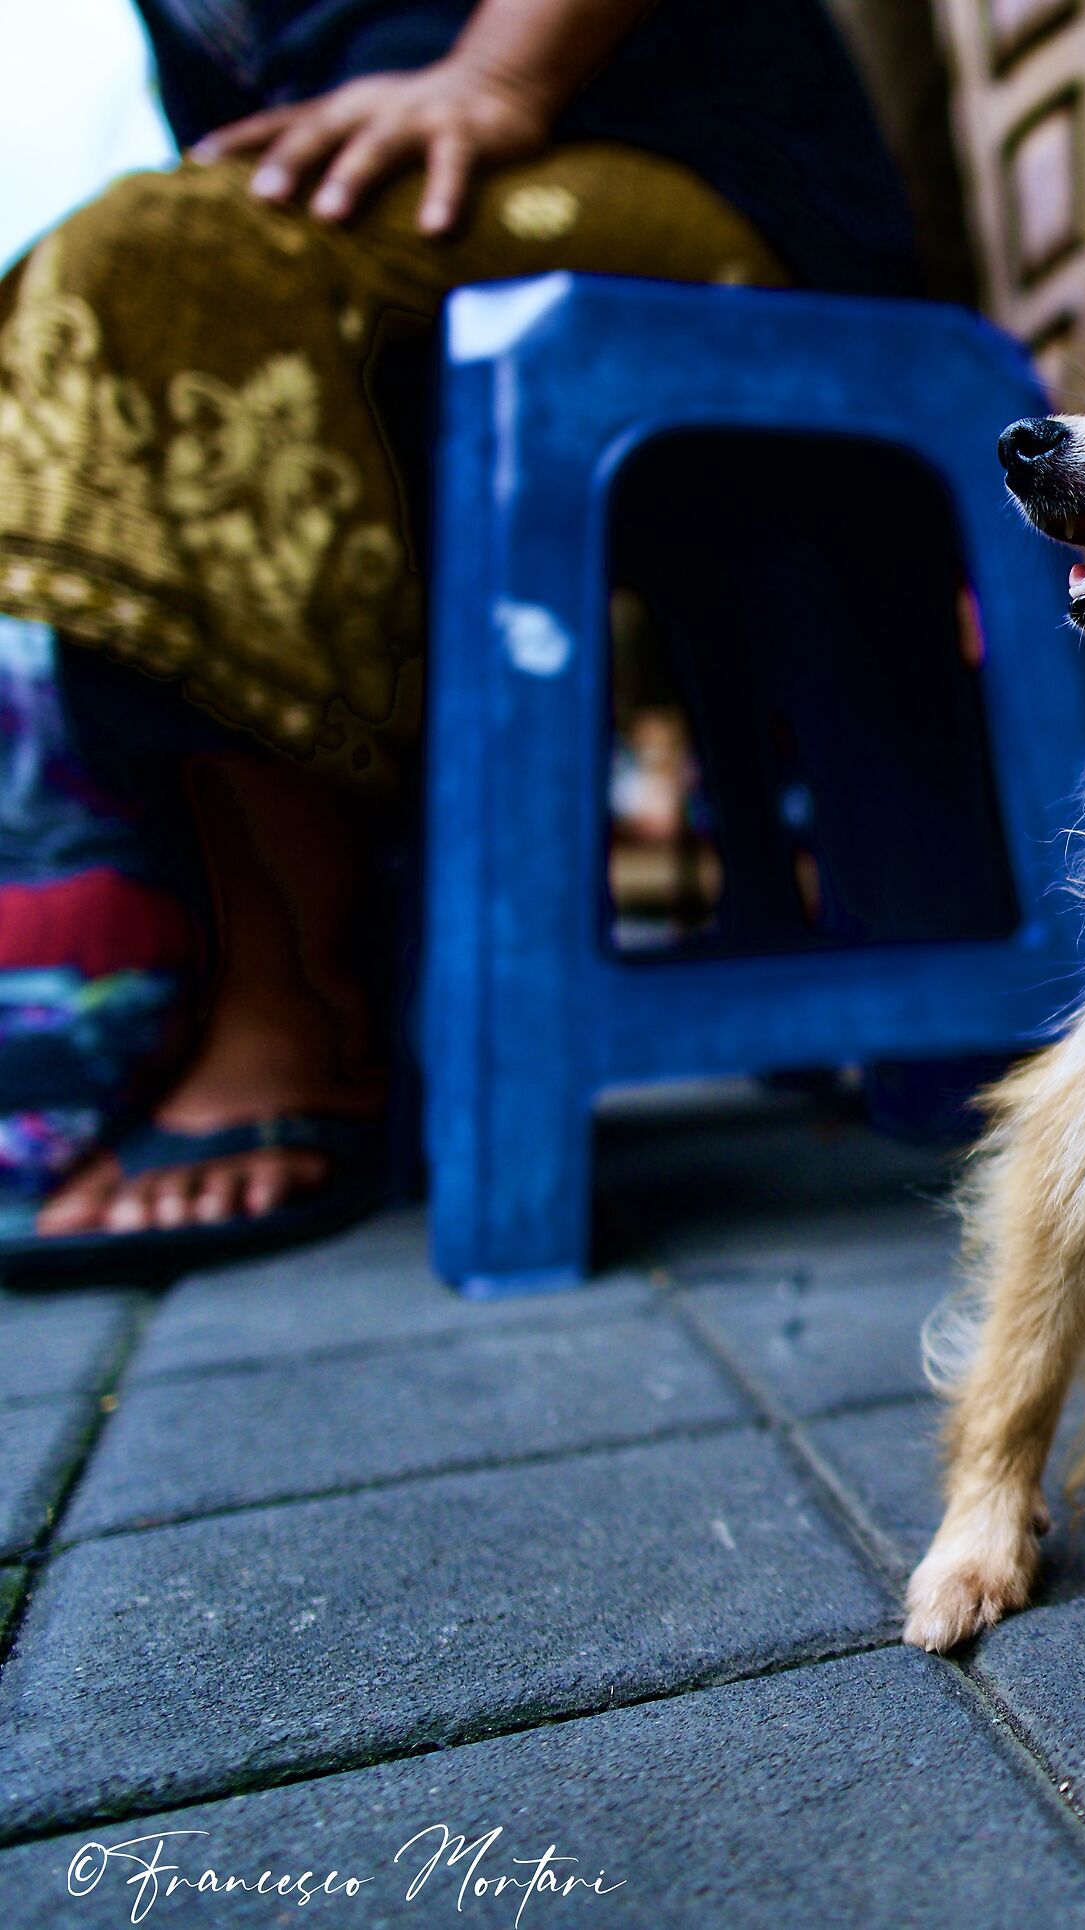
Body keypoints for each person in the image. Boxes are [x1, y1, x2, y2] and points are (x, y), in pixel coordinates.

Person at [0, 0, 915, 1268]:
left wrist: (500, 70)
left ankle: (299, 1003)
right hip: (408, 213)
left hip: (669, 151)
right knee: (94, 281)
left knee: (149, 268)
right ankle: (227, 956)